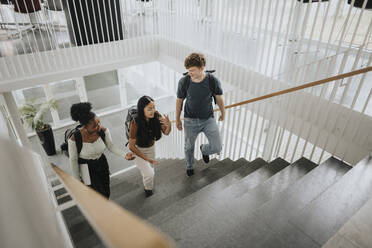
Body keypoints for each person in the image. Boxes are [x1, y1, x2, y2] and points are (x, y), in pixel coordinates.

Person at [68, 102, 135, 198]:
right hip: (87, 168)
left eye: (99, 122)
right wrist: (77, 180)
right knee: (96, 193)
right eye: (94, 126)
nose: (99, 126)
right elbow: (73, 160)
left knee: (106, 190)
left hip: (102, 164)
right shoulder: (74, 139)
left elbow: (111, 146)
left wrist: (125, 155)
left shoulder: (103, 131)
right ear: (85, 127)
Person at [176, 53, 225, 177]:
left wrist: (223, 113)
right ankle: (189, 166)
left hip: (208, 119)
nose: (189, 73)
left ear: (202, 68)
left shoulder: (213, 80)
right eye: (188, 70)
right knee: (188, 147)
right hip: (189, 121)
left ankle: (204, 149)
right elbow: (179, 100)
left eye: (192, 70)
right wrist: (177, 119)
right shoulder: (184, 81)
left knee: (217, 146)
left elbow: (219, 98)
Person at [129, 96, 171, 197]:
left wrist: (169, 125)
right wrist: (146, 158)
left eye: (153, 107)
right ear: (142, 109)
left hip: (151, 148)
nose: (153, 111)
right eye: (149, 109)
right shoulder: (135, 122)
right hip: (138, 151)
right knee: (149, 174)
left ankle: (148, 186)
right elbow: (131, 146)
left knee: (149, 171)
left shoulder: (156, 116)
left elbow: (166, 132)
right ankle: (148, 190)